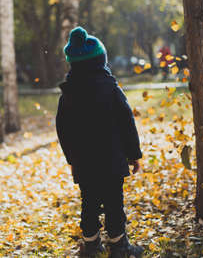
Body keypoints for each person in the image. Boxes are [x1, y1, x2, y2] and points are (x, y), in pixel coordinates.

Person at [56, 27, 144, 258]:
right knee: (115, 202)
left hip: (84, 162)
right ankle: (119, 247)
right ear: (101, 60)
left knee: (89, 202)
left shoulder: (68, 94)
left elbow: (63, 130)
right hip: (112, 159)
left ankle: (91, 244)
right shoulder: (111, 89)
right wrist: (133, 154)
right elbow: (127, 122)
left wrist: (72, 159)